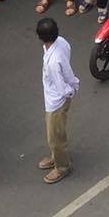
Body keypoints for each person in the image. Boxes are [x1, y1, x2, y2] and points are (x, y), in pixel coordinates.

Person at [35, 16, 78, 184]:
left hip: (56, 101)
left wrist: (69, 91)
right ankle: (56, 155)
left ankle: (62, 166)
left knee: (55, 136)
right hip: (59, 95)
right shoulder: (61, 42)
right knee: (57, 133)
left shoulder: (53, 61)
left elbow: (61, 87)